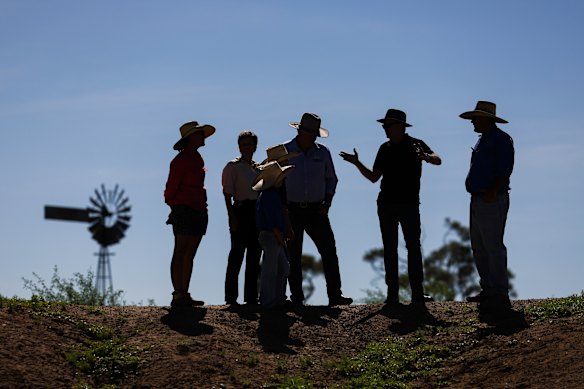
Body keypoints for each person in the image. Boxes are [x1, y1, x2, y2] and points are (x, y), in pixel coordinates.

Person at [340, 108, 441, 305]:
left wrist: (425, 157)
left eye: (388, 125)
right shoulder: (384, 148)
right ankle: (392, 295)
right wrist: (356, 163)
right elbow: (373, 177)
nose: (385, 129)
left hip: (409, 204)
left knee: (413, 247)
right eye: (384, 126)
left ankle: (417, 294)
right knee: (390, 249)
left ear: (400, 126)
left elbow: (438, 159)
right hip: (387, 205)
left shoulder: (416, 144)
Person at [283, 112, 352, 307]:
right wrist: (282, 208)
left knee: (329, 251)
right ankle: (297, 298)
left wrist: (327, 203)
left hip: (317, 211)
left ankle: (335, 295)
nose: (312, 137)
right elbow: (275, 180)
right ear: (301, 131)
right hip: (292, 210)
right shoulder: (285, 151)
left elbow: (332, 179)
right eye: (310, 133)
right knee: (293, 255)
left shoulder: (323, 153)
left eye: (314, 133)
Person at [460, 101, 514, 311]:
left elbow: (505, 169)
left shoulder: (500, 140)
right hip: (479, 198)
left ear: (486, 119)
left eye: (476, 117)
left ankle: (499, 292)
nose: (473, 121)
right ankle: (489, 290)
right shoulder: (485, 140)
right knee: (480, 246)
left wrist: (492, 192)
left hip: (491, 198)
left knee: (492, 246)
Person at [164, 120, 215, 308]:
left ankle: (183, 293)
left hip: (198, 209)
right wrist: (176, 206)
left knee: (188, 253)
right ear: (190, 138)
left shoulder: (196, 158)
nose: (202, 137)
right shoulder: (181, 161)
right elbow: (170, 189)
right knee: (181, 251)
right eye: (199, 134)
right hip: (185, 209)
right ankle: (178, 293)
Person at [222, 131, 262, 306]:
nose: (246, 147)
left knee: (254, 255)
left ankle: (251, 297)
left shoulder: (258, 168)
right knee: (237, 255)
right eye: (243, 144)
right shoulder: (232, 167)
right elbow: (227, 194)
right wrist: (232, 216)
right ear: (239, 146)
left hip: (257, 212)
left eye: (250, 144)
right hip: (240, 210)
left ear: (255, 146)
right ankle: (231, 297)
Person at [253, 161, 295, 310]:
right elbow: (271, 220)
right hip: (271, 235)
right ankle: (269, 301)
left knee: (280, 268)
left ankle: (275, 300)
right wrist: (279, 234)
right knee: (272, 269)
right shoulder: (269, 195)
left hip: (272, 235)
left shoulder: (269, 194)